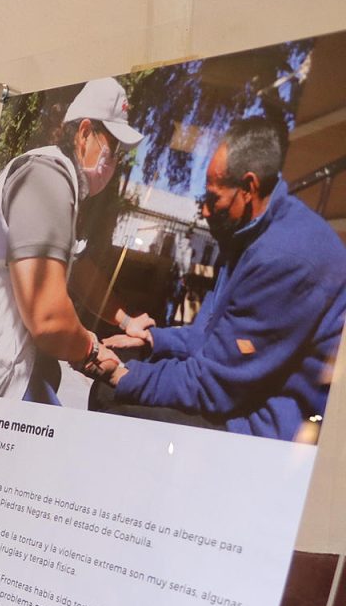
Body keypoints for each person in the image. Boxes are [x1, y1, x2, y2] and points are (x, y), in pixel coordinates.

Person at [102, 117, 346, 441]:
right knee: (128, 364)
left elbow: (213, 385)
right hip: (237, 391)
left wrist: (120, 375)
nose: (205, 211)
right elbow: (209, 336)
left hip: (264, 429)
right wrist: (153, 340)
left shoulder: (286, 258)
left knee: (109, 397)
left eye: (214, 197)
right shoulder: (247, 236)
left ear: (248, 188)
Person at [0, 77, 143, 401]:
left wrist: (125, 319)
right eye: (111, 150)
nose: (112, 166)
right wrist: (92, 351)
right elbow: (48, 318)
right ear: (83, 134)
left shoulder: (59, 182)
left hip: (8, 368)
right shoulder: (48, 178)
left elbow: (78, 270)